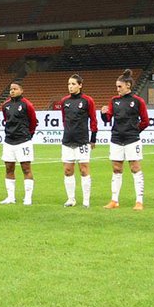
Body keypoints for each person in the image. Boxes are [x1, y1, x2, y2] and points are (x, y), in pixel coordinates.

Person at [102, 69, 150, 210]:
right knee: (116, 169)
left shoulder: (137, 101)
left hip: (132, 140)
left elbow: (145, 121)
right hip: (116, 138)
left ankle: (139, 201)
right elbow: (108, 118)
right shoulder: (114, 101)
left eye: (120, 86)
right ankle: (114, 200)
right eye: (117, 87)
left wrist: (134, 131)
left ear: (128, 85)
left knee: (135, 168)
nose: (117, 89)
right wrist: (103, 114)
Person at [59, 74, 98, 208]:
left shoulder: (88, 100)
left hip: (82, 141)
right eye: (69, 84)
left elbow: (93, 119)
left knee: (83, 170)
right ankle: (71, 199)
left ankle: (86, 200)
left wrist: (93, 138)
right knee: (68, 170)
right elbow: (64, 120)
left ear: (80, 85)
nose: (70, 86)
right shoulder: (64, 101)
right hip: (67, 140)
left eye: (73, 84)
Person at [0, 81, 37, 205]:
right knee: (9, 168)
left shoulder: (27, 105)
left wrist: (27, 135)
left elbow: (33, 122)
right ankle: (10, 197)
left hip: (23, 142)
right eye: (11, 89)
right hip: (9, 141)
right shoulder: (5, 105)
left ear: (21, 90)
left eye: (15, 89)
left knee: (26, 168)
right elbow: (6, 120)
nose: (12, 91)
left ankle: (28, 198)